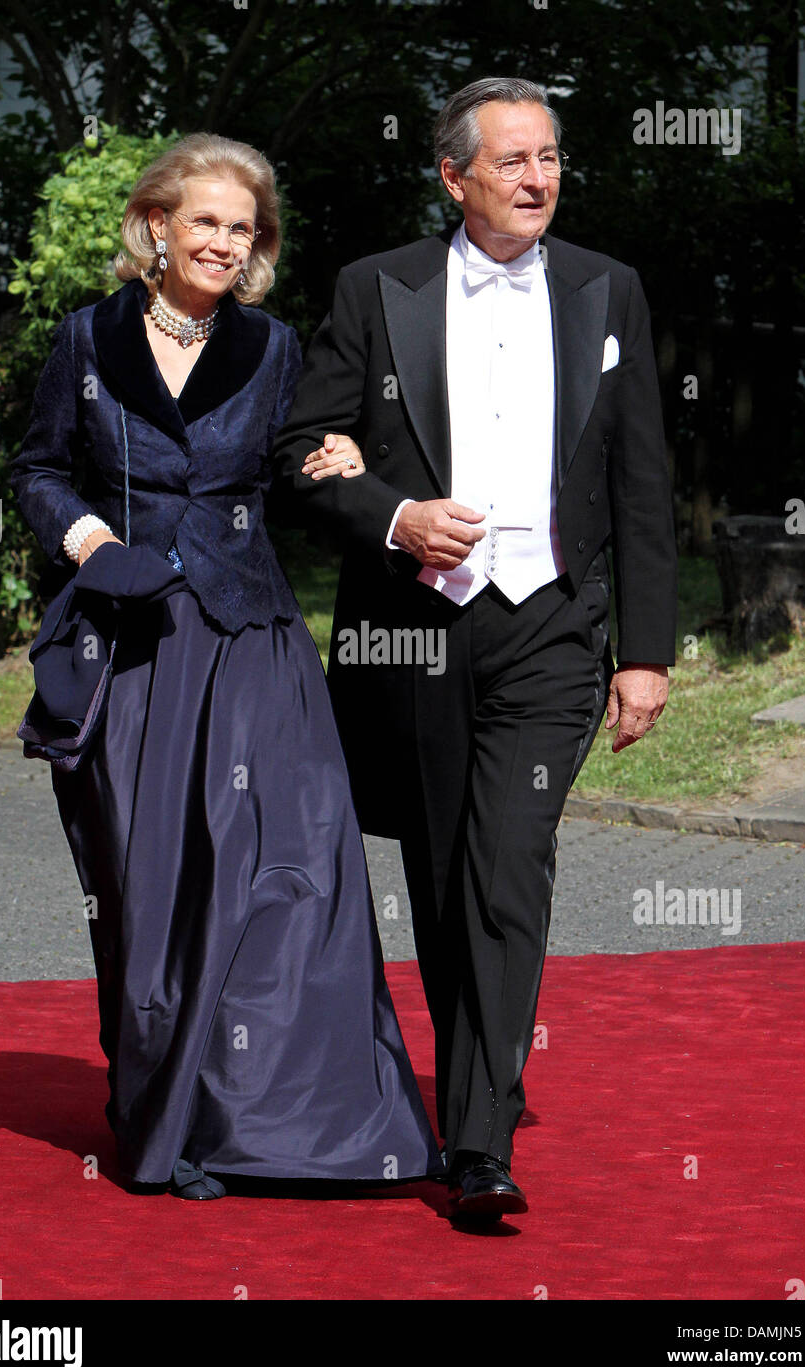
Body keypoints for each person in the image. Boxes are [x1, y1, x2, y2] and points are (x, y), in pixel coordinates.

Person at [272, 77, 678, 1221]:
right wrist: (396, 516)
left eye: (551, 157)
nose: (540, 178)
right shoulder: (377, 288)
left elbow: (643, 477)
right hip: (419, 629)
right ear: (454, 176)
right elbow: (303, 444)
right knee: (445, 875)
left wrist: (646, 651)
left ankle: (478, 1143)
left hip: (553, 625)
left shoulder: (611, 291)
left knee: (509, 864)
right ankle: (470, 1099)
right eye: (514, 161)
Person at [10, 133, 444, 1200]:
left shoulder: (276, 348)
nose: (223, 242)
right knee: (149, 889)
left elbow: (299, 459)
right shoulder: (84, 341)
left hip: (253, 643)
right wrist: (88, 545)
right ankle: (168, 1111)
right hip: (129, 653)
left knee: (287, 873)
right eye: (205, 220)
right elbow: (37, 469)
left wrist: (339, 459)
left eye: (242, 229)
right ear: (155, 225)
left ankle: (292, 1123)